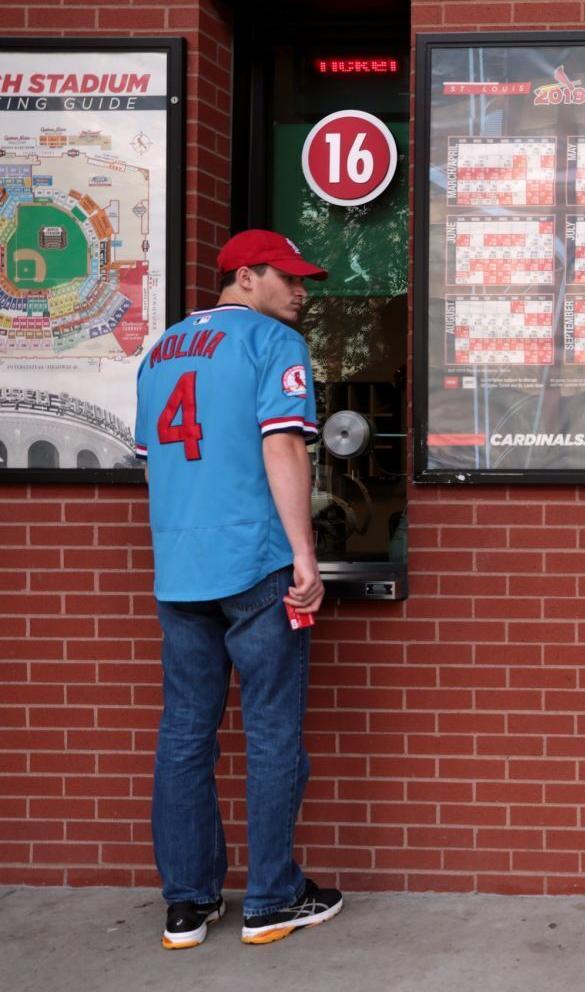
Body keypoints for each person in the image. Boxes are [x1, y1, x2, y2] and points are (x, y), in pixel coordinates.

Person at [134, 230, 343, 948]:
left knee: (186, 735)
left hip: (179, 571)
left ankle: (187, 907)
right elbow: (282, 445)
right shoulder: (271, 343)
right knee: (273, 733)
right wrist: (304, 554)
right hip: (255, 564)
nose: (301, 291)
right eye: (288, 277)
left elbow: (153, 463)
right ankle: (270, 899)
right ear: (247, 276)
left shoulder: (158, 351)